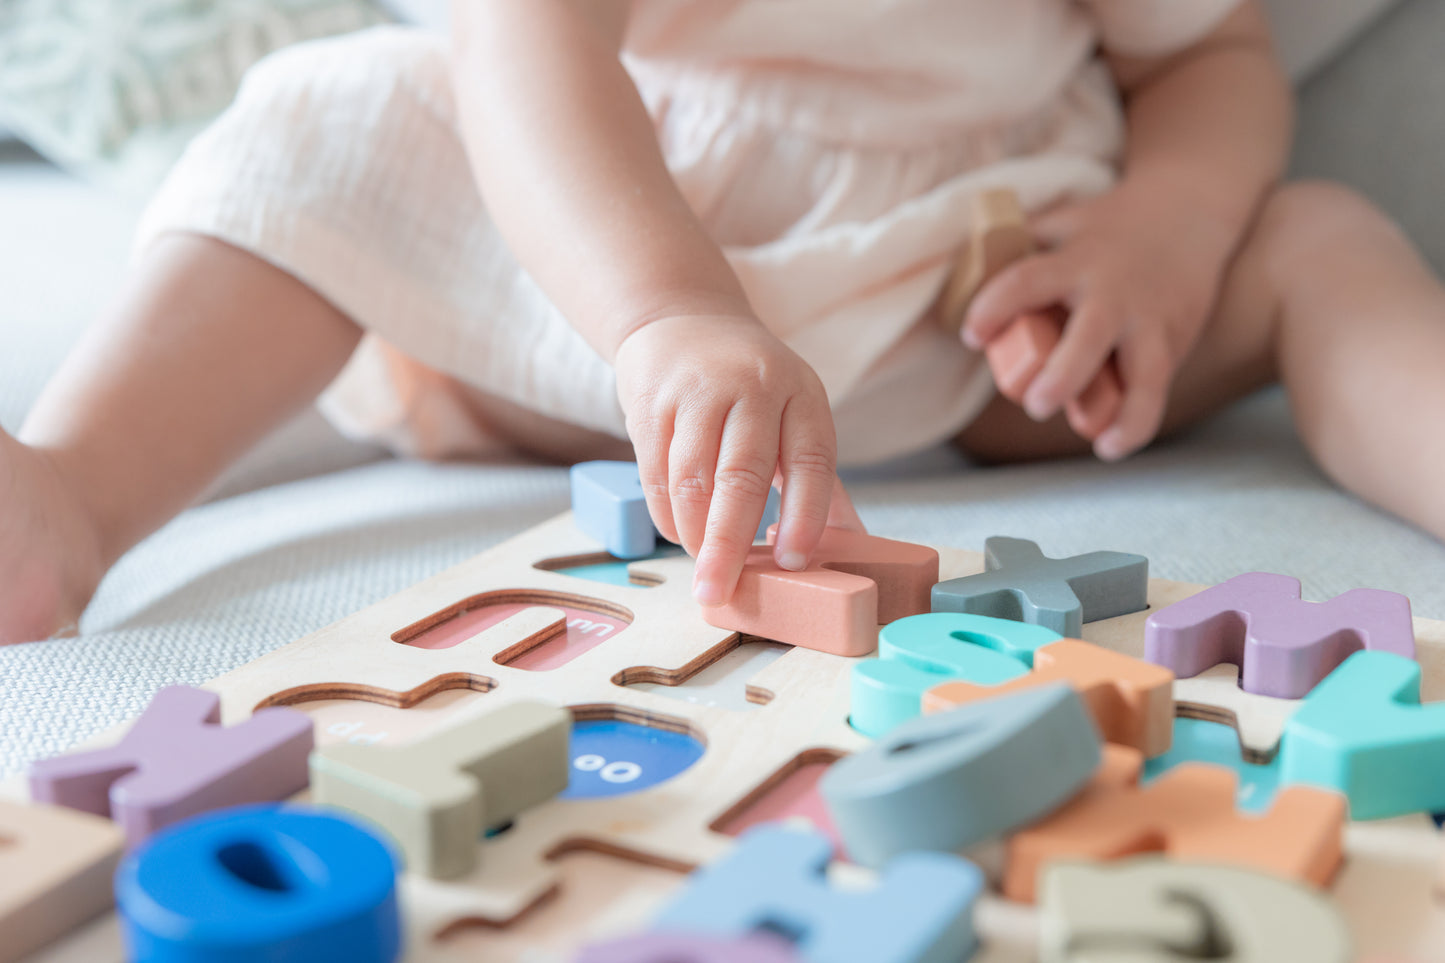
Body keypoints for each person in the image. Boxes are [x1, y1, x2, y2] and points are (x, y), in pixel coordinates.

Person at [5, 0, 1445, 646]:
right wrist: (663, 314)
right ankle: (72, 491)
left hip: (994, 302)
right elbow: (528, 58)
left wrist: (1168, 231)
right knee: (337, 118)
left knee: (1312, 237)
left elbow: (1209, 54)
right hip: (623, 268)